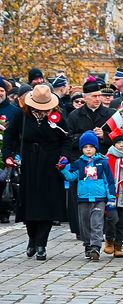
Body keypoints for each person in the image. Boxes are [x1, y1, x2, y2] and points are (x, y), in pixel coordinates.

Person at [2, 85, 69, 260]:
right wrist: (8, 155)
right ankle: (32, 238)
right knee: (30, 206)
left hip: (51, 166)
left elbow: (67, 139)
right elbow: (9, 136)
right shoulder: (21, 115)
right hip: (29, 164)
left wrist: (64, 157)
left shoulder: (58, 117)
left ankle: (41, 244)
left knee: (47, 205)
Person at [67, 78, 115, 239]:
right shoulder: (75, 115)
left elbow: (120, 138)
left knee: (104, 197)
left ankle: (104, 231)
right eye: (94, 96)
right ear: (85, 97)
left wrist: (105, 136)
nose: (97, 99)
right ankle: (81, 230)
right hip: (81, 163)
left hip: (103, 162)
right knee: (80, 199)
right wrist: (86, 138)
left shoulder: (110, 114)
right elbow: (68, 138)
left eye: (99, 95)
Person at [59, 131, 116, 261]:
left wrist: (111, 197)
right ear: (81, 149)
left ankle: (96, 246)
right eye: (85, 147)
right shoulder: (79, 163)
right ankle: (87, 244)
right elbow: (72, 177)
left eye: (91, 147)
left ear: (96, 148)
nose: (88, 150)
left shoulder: (103, 162)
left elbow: (109, 181)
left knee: (97, 223)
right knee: (84, 224)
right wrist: (63, 169)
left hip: (99, 198)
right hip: (83, 198)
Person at [103, 128, 123, 258]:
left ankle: (118, 244)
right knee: (112, 218)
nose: (121, 145)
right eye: (118, 143)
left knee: (121, 221)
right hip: (111, 193)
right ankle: (109, 240)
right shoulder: (108, 157)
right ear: (114, 144)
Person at [0, 77, 21, 223]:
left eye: (1, 91)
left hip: (7, 151)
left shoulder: (14, 111)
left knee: (5, 181)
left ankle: (4, 210)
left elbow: (16, 132)